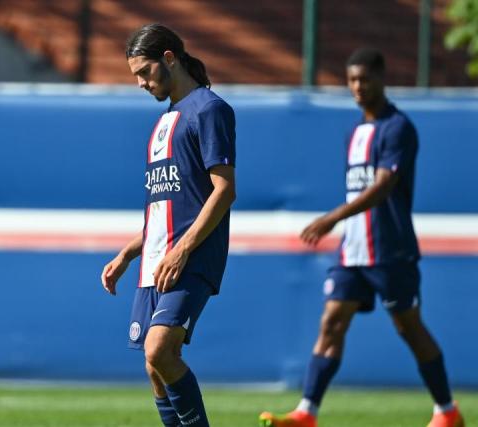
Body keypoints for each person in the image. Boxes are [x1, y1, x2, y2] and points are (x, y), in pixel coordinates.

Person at [258, 48, 464, 427]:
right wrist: (343, 225)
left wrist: (333, 216)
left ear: (381, 79)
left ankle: (447, 411)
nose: (357, 87)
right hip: (352, 250)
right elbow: (359, 188)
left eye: (364, 79)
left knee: (409, 327)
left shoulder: (398, 128)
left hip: (390, 249)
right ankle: (308, 412)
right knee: (331, 321)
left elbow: (384, 186)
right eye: (352, 80)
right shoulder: (355, 132)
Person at [101, 24, 236, 427]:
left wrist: (182, 250)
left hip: (190, 256)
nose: (141, 83)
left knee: (160, 350)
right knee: (152, 365)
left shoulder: (210, 109)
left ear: (170, 59)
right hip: (156, 260)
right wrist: (127, 254)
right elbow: (167, 207)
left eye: (145, 72)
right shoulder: (165, 121)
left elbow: (224, 190)